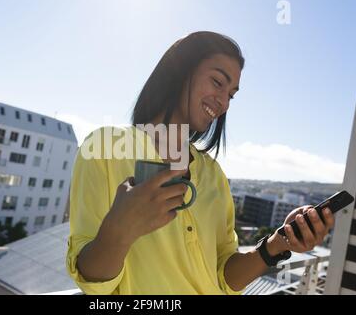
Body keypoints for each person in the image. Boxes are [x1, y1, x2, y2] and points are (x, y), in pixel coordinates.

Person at [66, 31, 335, 295]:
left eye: (231, 94)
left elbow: (226, 278)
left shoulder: (213, 174)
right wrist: (119, 231)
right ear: (179, 72)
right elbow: (92, 283)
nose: (224, 103)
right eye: (218, 82)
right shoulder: (105, 148)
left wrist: (279, 242)